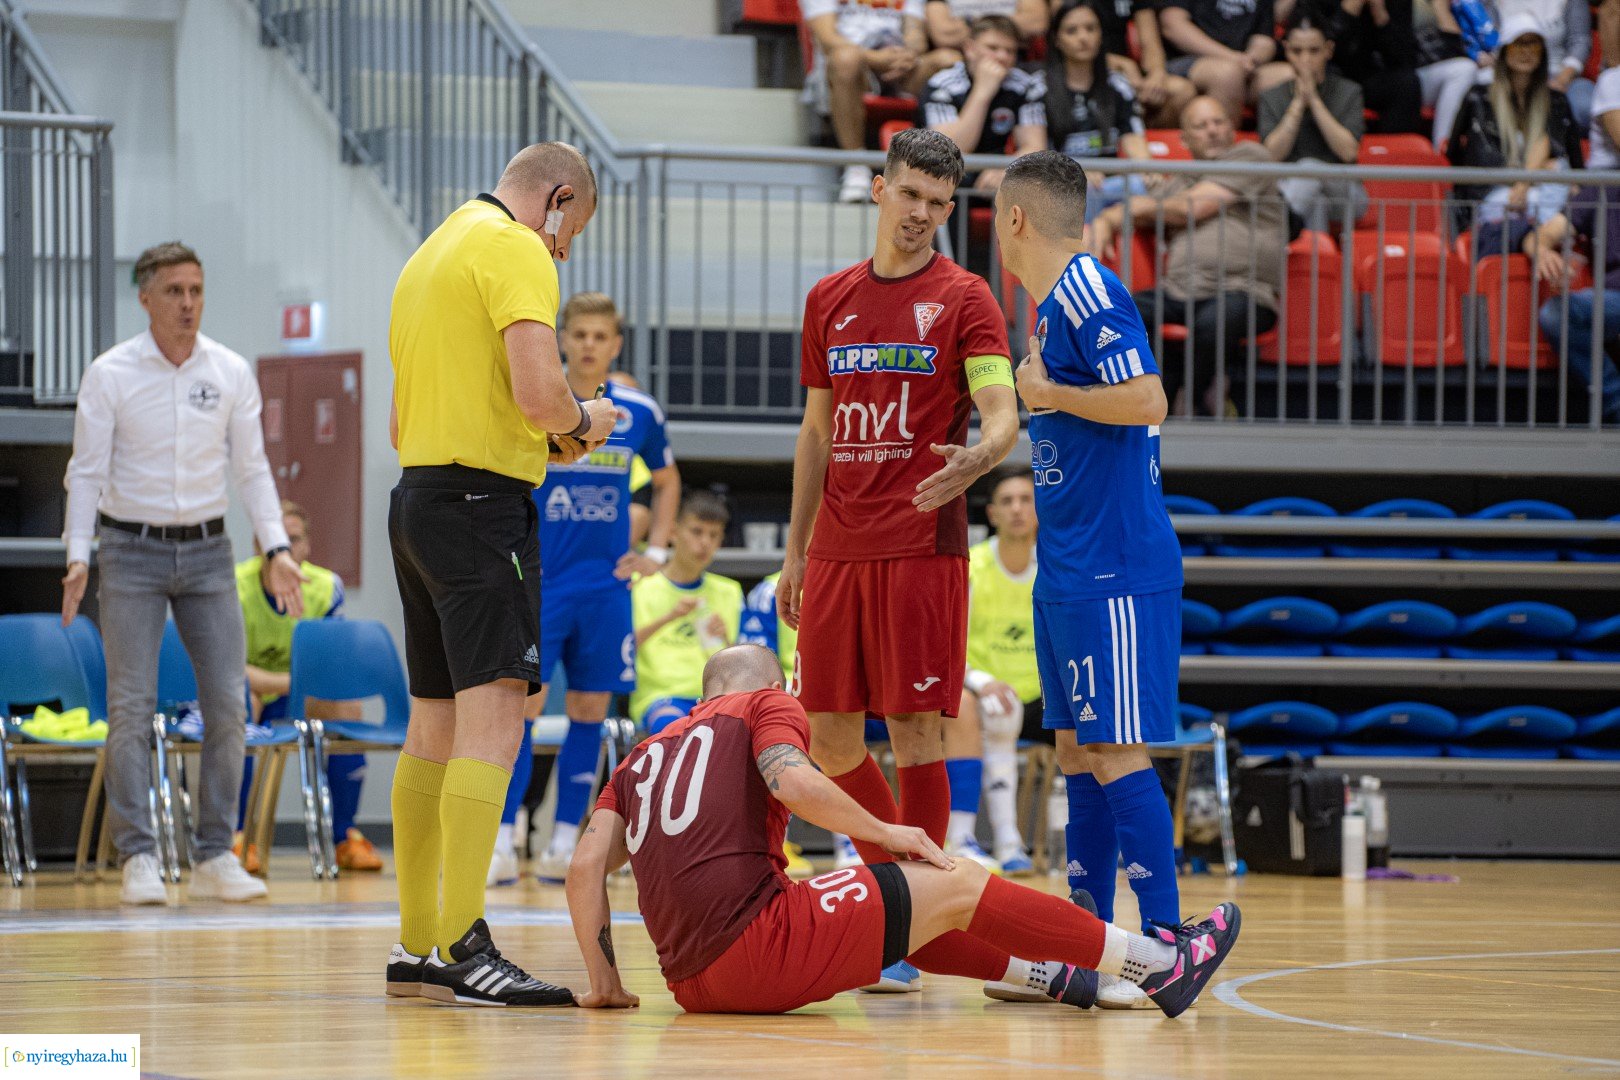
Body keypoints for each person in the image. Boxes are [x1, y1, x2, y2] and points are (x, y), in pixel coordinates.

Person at [563, 645, 1243, 1017]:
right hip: (756, 948)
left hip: (690, 985)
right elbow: (791, 782)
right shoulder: (767, 703)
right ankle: (1158, 965)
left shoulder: (641, 752)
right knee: (952, 877)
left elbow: (586, 865)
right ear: (775, 684)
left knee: (908, 915)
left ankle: (1054, 977)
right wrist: (888, 831)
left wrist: (605, 982)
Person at [778, 127, 1022, 993]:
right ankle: (907, 895)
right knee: (833, 742)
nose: (922, 214)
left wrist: (986, 451)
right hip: (837, 550)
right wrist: (795, 547)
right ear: (880, 191)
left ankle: (911, 923)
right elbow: (814, 431)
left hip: (923, 545)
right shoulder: (829, 299)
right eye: (910, 194)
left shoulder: (966, 297)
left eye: (939, 202)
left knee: (919, 733)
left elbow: (1001, 406)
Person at [383, 141, 617, 1007]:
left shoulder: (429, 251)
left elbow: (404, 415)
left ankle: (418, 942)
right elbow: (540, 395)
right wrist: (586, 421)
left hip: (417, 501)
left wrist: (546, 429)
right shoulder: (515, 247)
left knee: (432, 727)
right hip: (484, 511)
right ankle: (466, 943)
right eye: (570, 233)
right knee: (495, 726)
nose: (562, 252)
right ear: (555, 200)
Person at [997, 149, 1194, 1016]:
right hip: (1072, 565)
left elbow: (1148, 397)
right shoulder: (1052, 306)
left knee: (1116, 750)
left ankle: (1165, 947)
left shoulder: (1085, 289)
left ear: (1015, 221)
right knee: (1076, 751)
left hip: (1115, 567)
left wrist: (1047, 391)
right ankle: (1091, 946)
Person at [61, 241, 293, 907]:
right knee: (130, 707)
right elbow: (86, 471)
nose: (188, 303)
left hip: (207, 551)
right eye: (174, 291)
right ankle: (139, 855)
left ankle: (215, 852)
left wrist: (275, 546)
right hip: (129, 549)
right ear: (145, 297)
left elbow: (252, 468)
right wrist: (78, 553)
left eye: (195, 290)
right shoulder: (109, 374)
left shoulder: (228, 370)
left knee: (228, 702)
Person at [489, 292, 680, 888]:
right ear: (561, 340)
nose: (590, 345)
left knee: (589, 712)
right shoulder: (539, 399)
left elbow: (670, 479)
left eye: (602, 336)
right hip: (541, 582)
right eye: (580, 335)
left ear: (616, 344)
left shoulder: (639, 413)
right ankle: (501, 842)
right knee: (518, 711)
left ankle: (566, 842)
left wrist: (656, 552)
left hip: (605, 589)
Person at [1088, 96, 1286, 416]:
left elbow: (1193, 207)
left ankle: (1190, 401)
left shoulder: (1251, 156)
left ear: (1233, 127)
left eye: (1218, 122)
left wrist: (1136, 208)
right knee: (1125, 311)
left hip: (1245, 291)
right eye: (1201, 125)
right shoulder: (1178, 180)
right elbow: (1152, 210)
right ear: (1184, 138)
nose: (1212, 131)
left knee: (1213, 322)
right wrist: (1106, 219)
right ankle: (1149, 401)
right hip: (1180, 290)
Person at [235, 501, 382, 874]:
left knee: (347, 707)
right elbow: (228, 668)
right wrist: (289, 683)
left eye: (294, 539)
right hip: (256, 690)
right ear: (259, 545)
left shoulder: (325, 587)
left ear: (307, 547)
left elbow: (335, 665)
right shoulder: (234, 585)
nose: (284, 549)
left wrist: (299, 686)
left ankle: (344, 836)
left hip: (305, 694)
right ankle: (239, 838)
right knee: (238, 704)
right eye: (276, 540)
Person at [953, 470, 1045, 879]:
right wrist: (981, 681)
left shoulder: (1054, 564)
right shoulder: (973, 567)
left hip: (1043, 692)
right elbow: (949, 643)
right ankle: (1008, 839)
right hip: (986, 685)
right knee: (999, 711)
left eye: (1026, 499)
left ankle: (1086, 843)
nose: (1018, 509)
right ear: (992, 513)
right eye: (1007, 501)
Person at [1448, 14, 1586, 250]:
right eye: (1519, 43)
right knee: (1545, 201)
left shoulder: (1557, 101)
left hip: (1544, 194)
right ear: (1504, 51)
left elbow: (1569, 161)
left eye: (1533, 43)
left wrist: (1532, 180)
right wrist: (1531, 176)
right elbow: (1461, 157)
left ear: (1542, 51)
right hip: (1495, 196)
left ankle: (1542, 251)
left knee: (1560, 183)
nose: (1526, 51)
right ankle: (1543, 250)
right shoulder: (1479, 98)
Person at [801, 0, 958, 202]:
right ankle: (855, 165)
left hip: (900, 68)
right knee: (846, 58)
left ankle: (947, 163)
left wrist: (907, 55)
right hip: (855, 68)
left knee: (949, 60)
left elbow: (915, 34)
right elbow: (828, 39)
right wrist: (876, 58)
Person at [631, 492, 744, 735]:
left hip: (718, 699)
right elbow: (621, 652)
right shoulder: (640, 587)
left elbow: (744, 669)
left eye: (714, 535)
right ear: (673, 532)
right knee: (675, 730)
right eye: (697, 531)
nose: (705, 542)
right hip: (660, 698)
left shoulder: (730, 591)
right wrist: (668, 618)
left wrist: (726, 641)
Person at [1043, 1, 1157, 224]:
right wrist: (1076, 173)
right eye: (1071, 30)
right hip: (1060, 186)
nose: (1083, 37)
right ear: (1056, 39)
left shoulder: (1119, 86)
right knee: (1083, 192)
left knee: (1143, 184)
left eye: (1091, 28)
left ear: (1101, 35)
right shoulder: (1040, 88)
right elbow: (1037, 152)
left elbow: (1134, 140)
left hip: (1110, 186)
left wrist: (1148, 171)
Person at [1258, 13, 1368, 232]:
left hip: (1344, 192)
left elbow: (1348, 152)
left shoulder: (1350, 91)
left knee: (1308, 169)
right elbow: (1272, 156)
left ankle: (1279, 229)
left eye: (1314, 50)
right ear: (1287, 50)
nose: (1306, 59)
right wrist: (1298, 103)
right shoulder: (1271, 96)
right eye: (1297, 51)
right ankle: (1316, 263)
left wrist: (1314, 100)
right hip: (1289, 187)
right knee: (1315, 201)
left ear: (1328, 50)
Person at [920, 15, 1048, 193]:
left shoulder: (1024, 86)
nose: (1002, 57)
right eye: (993, 48)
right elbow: (950, 151)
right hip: (946, 174)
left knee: (1024, 180)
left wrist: (1008, 170)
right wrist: (982, 92)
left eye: (1010, 51)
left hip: (998, 171)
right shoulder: (941, 85)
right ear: (970, 49)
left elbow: (1035, 146)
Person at [1529, 189, 1620, 425]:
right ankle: (1616, 403)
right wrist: (1541, 251)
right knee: (1557, 313)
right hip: (1614, 298)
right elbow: (1541, 235)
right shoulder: (1601, 189)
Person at [1085, 0, 1199, 128]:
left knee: (1182, 90)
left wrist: (1156, 74)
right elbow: (1069, 45)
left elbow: (1150, 42)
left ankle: (1152, 142)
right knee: (1118, 93)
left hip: (1131, 76)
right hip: (1089, 69)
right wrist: (1122, 64)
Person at [1158, 0, 1277, 123]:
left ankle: (1273, 141)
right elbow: (1172, 26)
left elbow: (1264, 39)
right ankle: (1224, 141)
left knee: (1285, 77)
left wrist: (1252, 58)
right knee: (1227, 74)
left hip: (1244, 64)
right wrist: (1233, 58)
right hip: (1186, 60)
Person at [1413, 0, 1487, 150]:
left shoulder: (1471, 6)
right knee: (1463, 70)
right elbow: (1451, 48)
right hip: (1412, 78)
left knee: (1490, 77)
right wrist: (1441, 7)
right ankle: (1444, 146)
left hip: (1446, 72)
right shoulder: (1421, 7)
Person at [924, 0, 1047, 49]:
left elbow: (1036, 23)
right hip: (962, 60)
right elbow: (945, 35)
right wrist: (1009, 21)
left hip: (1014, 54)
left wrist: (969, 22)